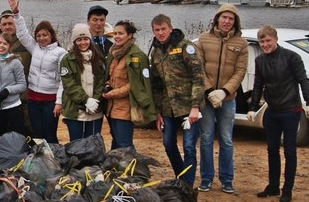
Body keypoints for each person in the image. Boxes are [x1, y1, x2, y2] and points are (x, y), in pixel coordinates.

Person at [249, 25, 309, 202]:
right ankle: (273, 186)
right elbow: (258, 85)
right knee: (272, 149)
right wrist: (253, 106)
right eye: (262, 41)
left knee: (289, 151)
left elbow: (303, 79)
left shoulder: (291, 57)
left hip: (290, 111)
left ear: (275, 39)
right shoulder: (260, 61)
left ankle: (288, 189)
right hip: (272, 111)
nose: (265, 44)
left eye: (268, 41)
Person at [195, 4, 248, 193]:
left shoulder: (241, 43)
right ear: (217, 18)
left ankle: (227, 179)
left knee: (226, 139)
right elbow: (198, 68)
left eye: (231, 18)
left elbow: (240, 71)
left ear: (235, 22)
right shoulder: (203, 39)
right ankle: (206, 178)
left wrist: (224, 92)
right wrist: (210, 91)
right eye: (224, 17)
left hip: (227, 99)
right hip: (207, 99)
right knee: (206, 138)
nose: (226, 21)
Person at [150, 14, 205, 187]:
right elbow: (157, 84)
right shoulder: (156, 52)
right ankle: (181, 176)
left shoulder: (185, 47)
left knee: (189, 146)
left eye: (163, 29)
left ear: (170, 28)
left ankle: (186, 185)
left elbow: (198, 77)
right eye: (157, 30)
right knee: (168, 143)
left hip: (188, 107)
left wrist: (195, 107)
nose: (160, 33)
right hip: (168, 108)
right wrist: (157, 111)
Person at [8, 0, 65, 143]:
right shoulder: (35, 48)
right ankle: (40, 162)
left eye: (45, 35)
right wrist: (16, 14)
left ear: (51, 35)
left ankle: (54, 161)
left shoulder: (60, 53)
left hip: (50, 100)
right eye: (38, 35)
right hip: (33, 98)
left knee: (50, 134)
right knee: (37, 134)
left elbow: (63, 81)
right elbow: (22, 33)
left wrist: (59, 102)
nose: (41, 38)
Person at [102, 21, 156, 150]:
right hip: (111, 107)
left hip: (126, 107)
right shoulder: (113, 54)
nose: (117, 36)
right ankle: (117, 169)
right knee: (115, 142)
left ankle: (131, 169)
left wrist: (113, 93)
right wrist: (107, 86)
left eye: (121, 33)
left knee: (125, 144)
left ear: (130, 35)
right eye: (115, 33)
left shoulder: (136, 56)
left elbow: (136, 84)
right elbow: (110, 77)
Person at [59, 23, 106, 141]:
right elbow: (69, 84)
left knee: (93, 144)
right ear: (74, 42)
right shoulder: (67, 60)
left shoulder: (98, 58)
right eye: (79, 40)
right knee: (76, 144)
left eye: (85, 39)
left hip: (95, 108)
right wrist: (86, 100)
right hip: (75, 110)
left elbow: (101, 81)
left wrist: (95, 100)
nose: (83, 42)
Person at [0, 32, 28, 136]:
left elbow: (22, 85)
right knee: (0, 136)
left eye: (5, 44)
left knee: (18, 137)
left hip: (13, 106)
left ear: (9, 47)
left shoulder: (15, 63)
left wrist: (7, 90)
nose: (1, 46)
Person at [0, 8, 32, 135]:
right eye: (4, 24)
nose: (7, 27)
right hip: (4, 100)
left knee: (27, 132)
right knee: (6, 133)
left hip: (24, 99)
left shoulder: (26, 43)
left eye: (10, 23)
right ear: (0, 26)